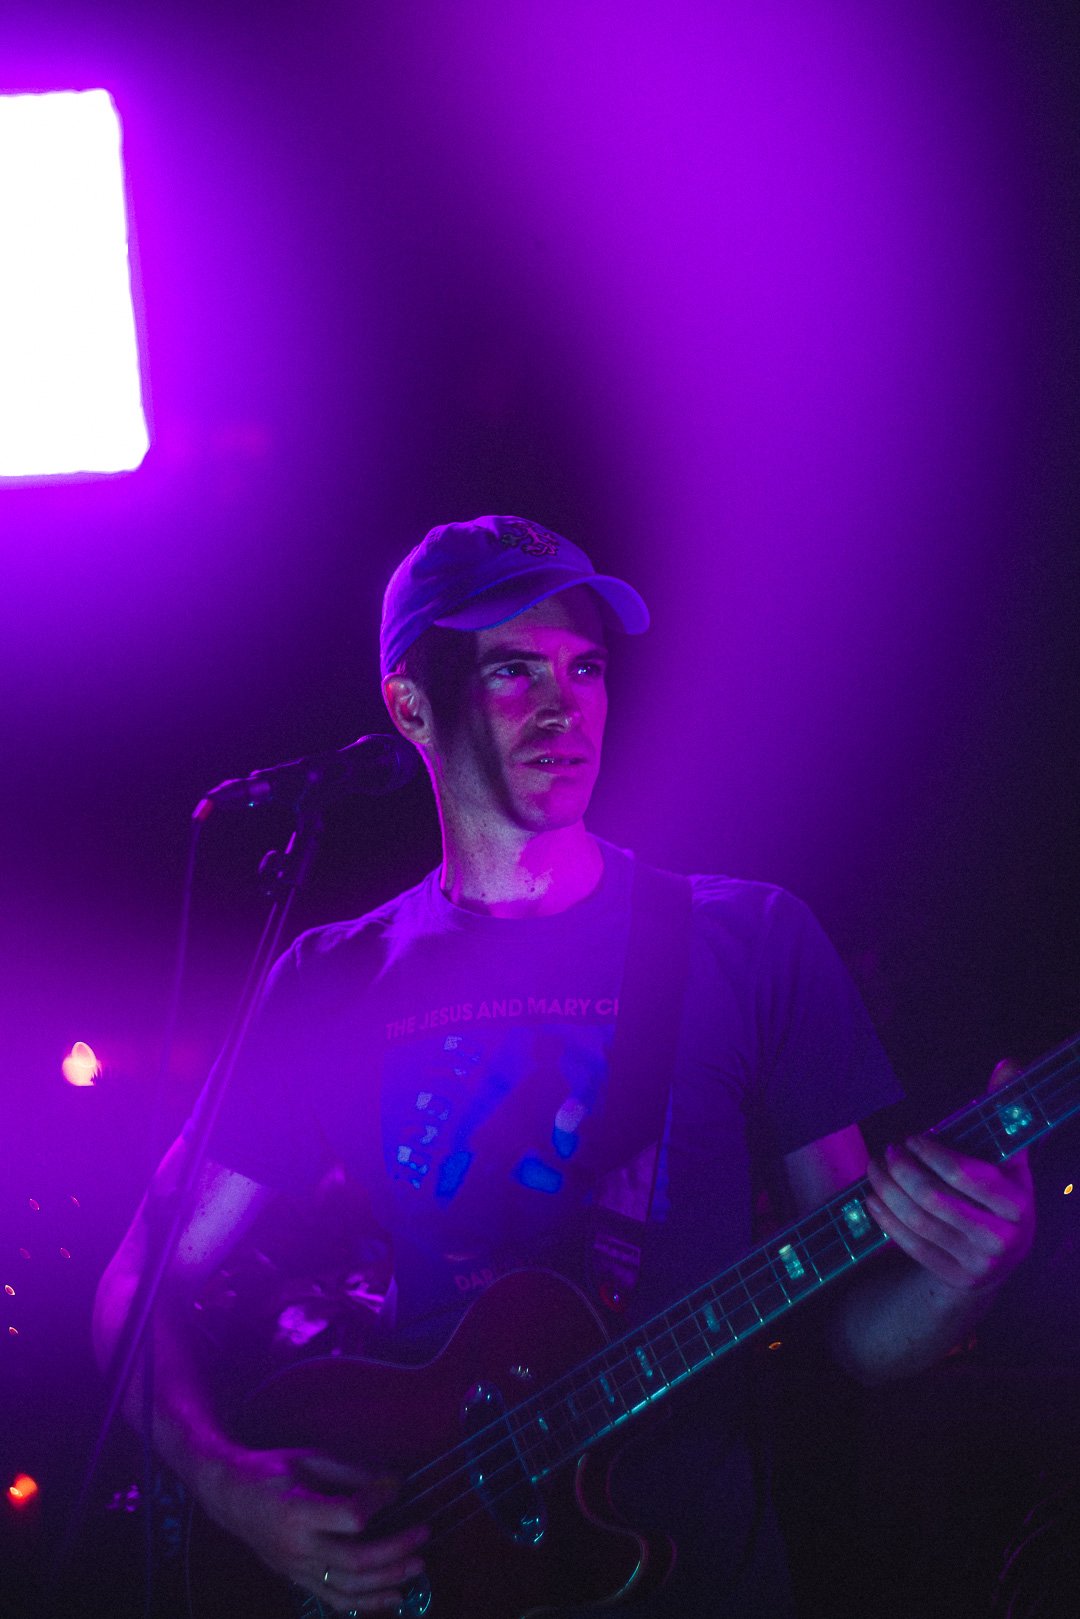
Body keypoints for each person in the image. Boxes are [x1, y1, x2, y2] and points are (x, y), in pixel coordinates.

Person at [93, 515, 1036, 1617]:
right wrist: (228, 1483)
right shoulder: (330, 977)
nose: (564, 704)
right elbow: (140, 1273)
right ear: (411, 705)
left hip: (698, 1581)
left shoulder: (750, 941)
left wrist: (966, 1271)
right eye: (511, 670)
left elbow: (862, 1334)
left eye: (585, 666)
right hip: (426, 1557)